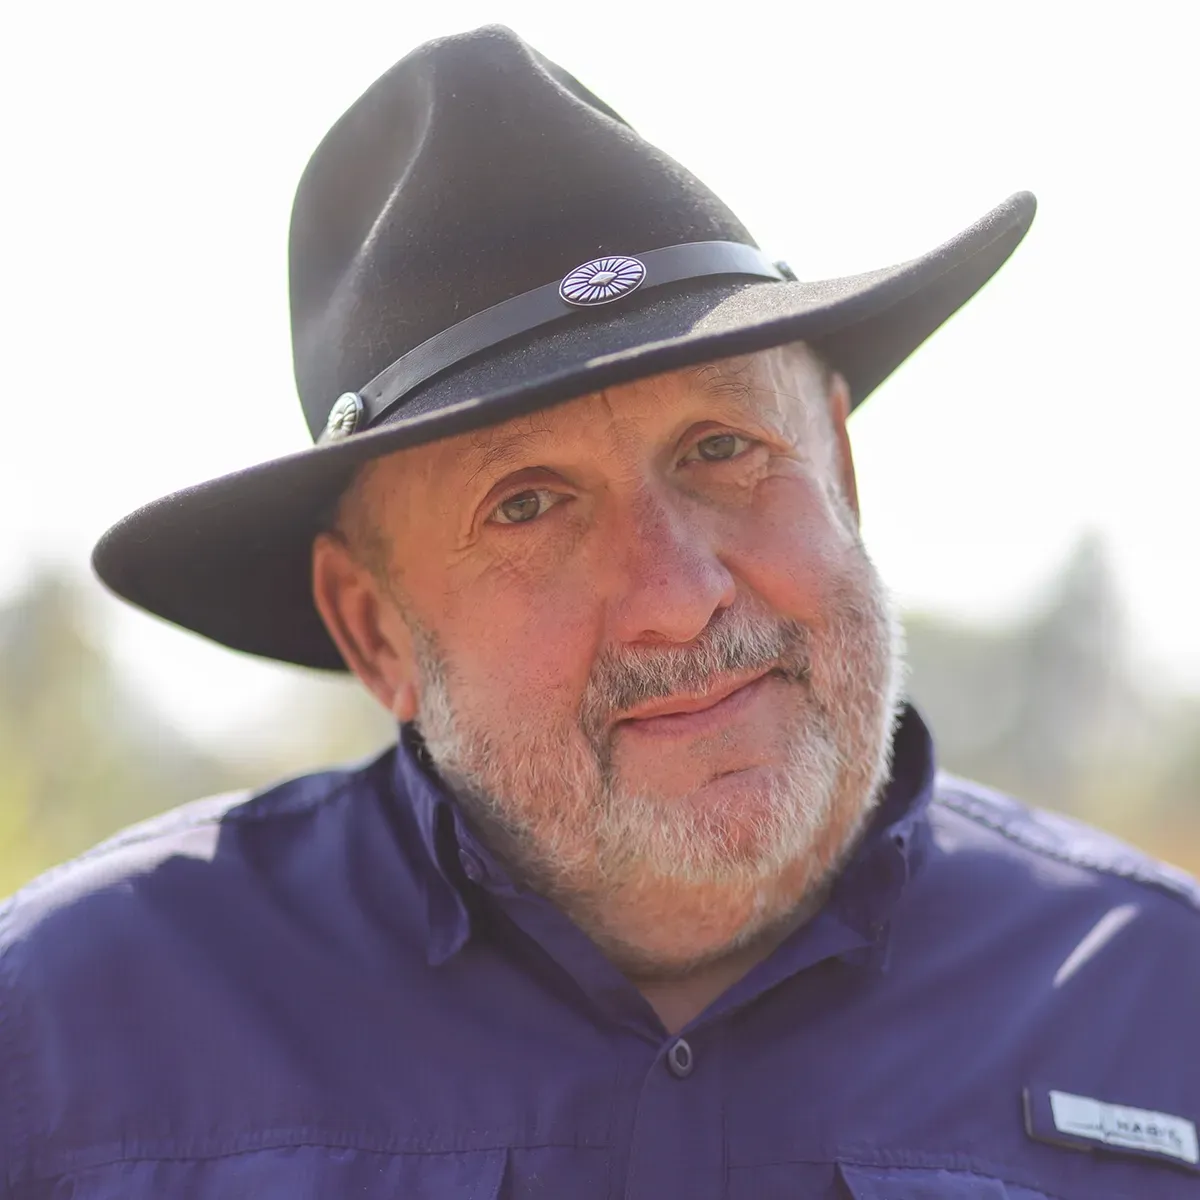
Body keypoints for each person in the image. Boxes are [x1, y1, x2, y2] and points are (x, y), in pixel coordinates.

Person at [1, 24, 1196, 1200]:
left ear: (839, 464)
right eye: (528, 506)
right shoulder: (65, 1040)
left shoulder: (1161, 1002)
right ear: (373, 630)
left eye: (724, 445)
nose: (682, 597)